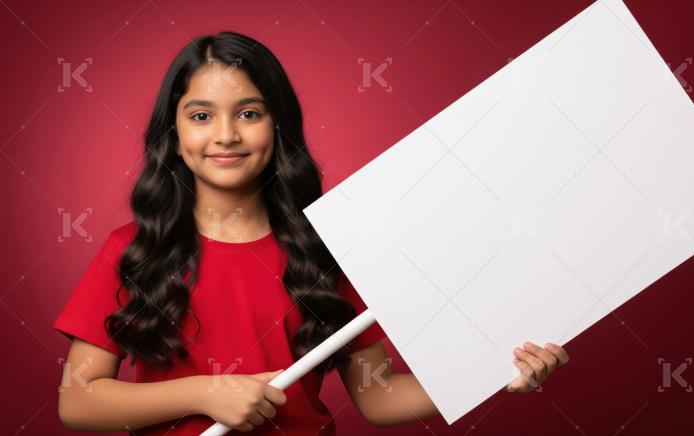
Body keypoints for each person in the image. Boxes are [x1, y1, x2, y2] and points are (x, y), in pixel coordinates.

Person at [53, 31, 569, 435]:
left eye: (249, 113)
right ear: (175, 132)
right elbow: (78, 401)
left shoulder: (328, 250)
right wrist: (205, 393)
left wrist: (492, 375)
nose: (226, 134)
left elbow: (379, 396)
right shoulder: (133, 251)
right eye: (202, 115)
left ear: (279, 127)